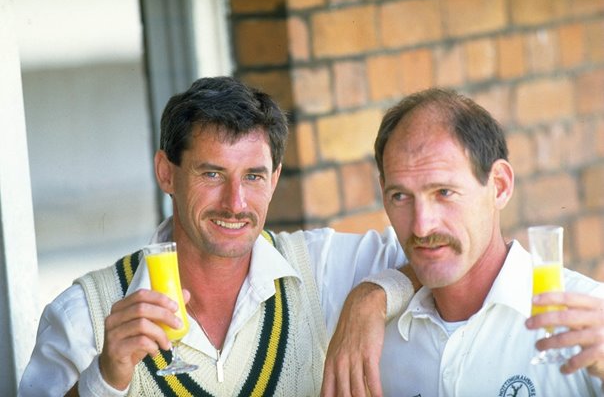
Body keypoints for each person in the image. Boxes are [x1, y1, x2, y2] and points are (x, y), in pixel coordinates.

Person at [19, 77, 414, 396]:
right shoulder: (82, 315)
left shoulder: (323, 268)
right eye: (212, 174)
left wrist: (371, 297)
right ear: (166, 173)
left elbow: (440, 252)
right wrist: (105, 378)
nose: (235, 202)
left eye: (254, 177)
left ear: (274, 179)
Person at [321, 88, 604, 396]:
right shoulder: (374, 340)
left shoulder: (589, 325)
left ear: (499, 186)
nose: (422, 225)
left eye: (444, 192)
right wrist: (366, 299)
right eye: (400, 196)